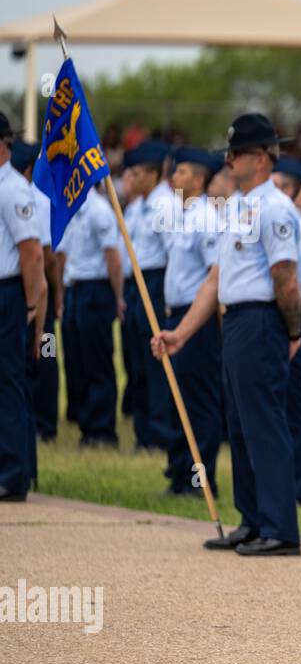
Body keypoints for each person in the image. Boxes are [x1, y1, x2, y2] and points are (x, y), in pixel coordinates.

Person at [153, 113, 301, 556]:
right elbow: (215, 278)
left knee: (264, 424)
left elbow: (286, 277)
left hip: (261, 320)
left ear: (259, 158)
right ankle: (253, 520)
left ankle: (280, 528)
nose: (228, 160)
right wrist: (181, 332)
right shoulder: (236, 207)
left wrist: (292, 330)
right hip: (235, 320)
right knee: (239, 424)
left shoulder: (275, 208)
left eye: (235, 153)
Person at [160, 147, 223, 498]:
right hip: (175, 315)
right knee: (177, 399)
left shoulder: (206, 218)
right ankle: (179, 474)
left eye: (181, 171)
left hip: (195, 320)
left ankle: (200, 480)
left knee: (198, 403)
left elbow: (213, 277)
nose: (174, 178)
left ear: (199, 179)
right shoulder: (182, 215)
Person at [0, 113, 46, 500]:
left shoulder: (13, 189)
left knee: (8, 382)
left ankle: (13, 475)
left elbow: (31, 253)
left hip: (8, 293)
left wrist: (31, 305)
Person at [56, 181, 122, 447]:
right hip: (75, 289)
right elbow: (61, 255)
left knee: (98, 363)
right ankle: (86, 423)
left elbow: (113, 257)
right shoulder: (71, 209)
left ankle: (102, 430)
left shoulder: (99, 210)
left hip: (95, 288)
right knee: (77, 361)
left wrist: (117, 297)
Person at [121, 140, 175, 451]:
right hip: (135, 285)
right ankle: (144, 433)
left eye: (137, 172)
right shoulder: (137, 206)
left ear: (153, 174)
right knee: (136, 360)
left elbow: (172, 254)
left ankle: (159, 433)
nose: (131, 177)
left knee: (155, 362)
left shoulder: (165, 205)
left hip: (155, 284)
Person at [272, 155, 301, 505]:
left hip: (300, 323)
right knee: (288, 408)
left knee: (298, 410)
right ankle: (294, 481)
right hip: (290, 321)